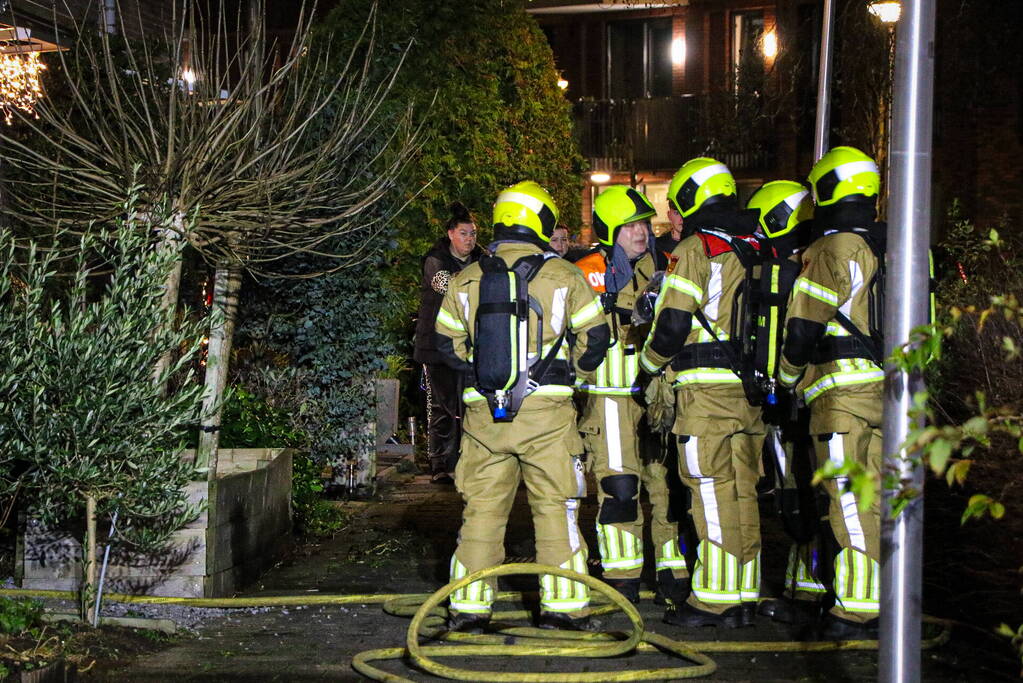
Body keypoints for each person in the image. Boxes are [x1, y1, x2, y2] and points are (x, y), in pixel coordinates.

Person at [434, 181, 611, 632]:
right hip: (547, 417)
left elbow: (446, 345)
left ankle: (469, 610)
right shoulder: (563, 275)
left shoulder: (468, 277)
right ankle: (564, 609)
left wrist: (485, 376)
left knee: (482, 512)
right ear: (540, 220)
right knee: (556, 509)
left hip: (483, 420)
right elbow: (596, 339)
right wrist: (571, 375)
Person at [639, 158, 766, 629]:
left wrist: (647, 368)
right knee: (744, 494)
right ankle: (744, 593)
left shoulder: (698, 247)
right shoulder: (757, 244)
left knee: (711, 493)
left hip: (705, 390)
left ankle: (713, 600)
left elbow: (673, 321)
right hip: (750, 390)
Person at [777, 146, 886, 640]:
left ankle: (857, 610)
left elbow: (802, 327)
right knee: (882, 496)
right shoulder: (899, 241)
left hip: (841, 392)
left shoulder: (830, 248)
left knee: (847, 499)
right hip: (896, 390)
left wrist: (784, 377)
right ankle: (882, 596)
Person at [573, 185, 689, 606]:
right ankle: (623, 579)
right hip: (609, 396)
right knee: (621, 489)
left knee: (666, 487)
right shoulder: (586, 270)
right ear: (610, 230)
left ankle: (670, 572)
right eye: (631, 226)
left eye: (643, 223)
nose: (641, 232)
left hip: (656, 398)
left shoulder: (663, 265)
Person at [745, 181, 828, 624]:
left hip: (798, 396)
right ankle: (806, 586)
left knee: (801, 495)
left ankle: (817, 593)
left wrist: (778, 384)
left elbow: (787, 334)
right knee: (807, 493)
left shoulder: (793, 267)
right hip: (823, 394)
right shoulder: (817, 256)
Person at [413, 203, 483, 484]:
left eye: (473, 234)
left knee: (473, 405)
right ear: (451, 234)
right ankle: (440, 462)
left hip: (473, 346)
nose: (470, 239)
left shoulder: (482, 258)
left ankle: (471, 460)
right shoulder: (435, 259)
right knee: (441, 406)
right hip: (437, 346)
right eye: (464, 233)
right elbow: (445, 285)